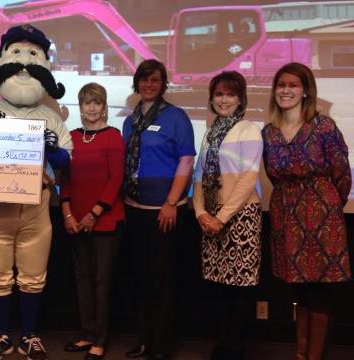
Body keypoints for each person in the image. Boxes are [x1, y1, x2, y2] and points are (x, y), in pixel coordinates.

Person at [0, 24, 72, 360]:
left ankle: (29, 335)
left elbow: (65, 162)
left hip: (36, 206)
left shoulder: (52, 117)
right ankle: (1, 334)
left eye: (34, 55)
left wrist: (52, 149)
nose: (24, 64)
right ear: (1, 60)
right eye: (16, 54)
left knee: (33, 275)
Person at [262, 62, 351, 360]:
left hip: (322, 215)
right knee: (298, 291)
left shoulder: (323, 126)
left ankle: (314, 357)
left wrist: (325, 206)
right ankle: (301, 353)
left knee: (319, 292)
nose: (286, 90)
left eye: (293, 85)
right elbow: (274, 176)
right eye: (281, 85)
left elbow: (341, 173)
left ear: (305, 91)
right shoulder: (269, 132)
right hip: (286, 215)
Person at [123, 59, 195, 360]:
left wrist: (171, 202)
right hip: (134, 208)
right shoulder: (130, 121)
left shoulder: (175, 117)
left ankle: (162, 345)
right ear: (137, 83)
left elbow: (186, 160)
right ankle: (144, 340)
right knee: (141, 278)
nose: (149, 85)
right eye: (144, 80)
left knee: (162, 279)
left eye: (155, 80)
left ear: (163, 84)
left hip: (163, 210)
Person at [192, 71, 263, 360]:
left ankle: (235, 347)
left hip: (240, 218)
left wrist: (222, 217)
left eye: (230, 94)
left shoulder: (249, 130)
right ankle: (222, 344)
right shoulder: (211, 131)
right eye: (219, 94)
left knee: (239, 288)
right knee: (218, 286)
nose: (224, 100)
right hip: (209, 219)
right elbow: (198, 175)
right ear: (211, 98)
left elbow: (249, 178)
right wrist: (199, 212)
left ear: (241, 98)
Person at [60, 83, 125, 360]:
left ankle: (100, 338)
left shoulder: (113, 136)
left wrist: (94, 213)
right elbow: (65, 179)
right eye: (87, 103)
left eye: (97, 103)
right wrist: (68, 214)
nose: (91, 108)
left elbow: (116, 179)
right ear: (80, 105)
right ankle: (87, 334)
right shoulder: (71, 136)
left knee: (101, 282)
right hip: (75, 221)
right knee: (82, 280)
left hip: (105, 221)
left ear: (104, 106)